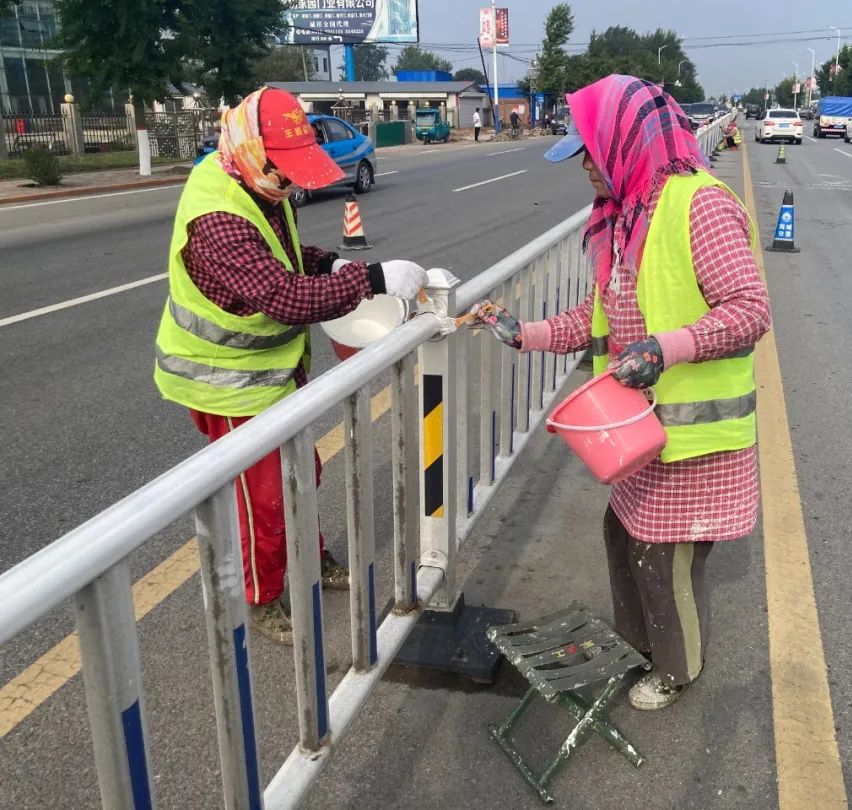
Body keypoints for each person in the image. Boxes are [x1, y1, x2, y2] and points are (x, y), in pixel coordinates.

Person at [472, 75, 771, 710]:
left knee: (664, 562)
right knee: (623, 537)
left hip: (695, 437)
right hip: (643, 433)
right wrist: (520, 332)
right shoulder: (626, 216)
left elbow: (748, 309)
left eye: (590, 151)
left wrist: (665, 348)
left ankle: (676, 669)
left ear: (627, 142)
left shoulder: (700, 204)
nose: (585, 168)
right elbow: (597, 317)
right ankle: (641, 646)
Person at [153, 87, 428, 644]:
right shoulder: (218, 217)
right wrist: (371, 281)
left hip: (271, 370)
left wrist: (336, 264)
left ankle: (309, 557)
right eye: (285, 172)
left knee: (303, 471)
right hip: (224, 379)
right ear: (256, 151)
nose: (292, 183)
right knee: (263, 498)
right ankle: (262, 599)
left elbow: (284, 258)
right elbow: (282, 296)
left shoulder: (250, 176)